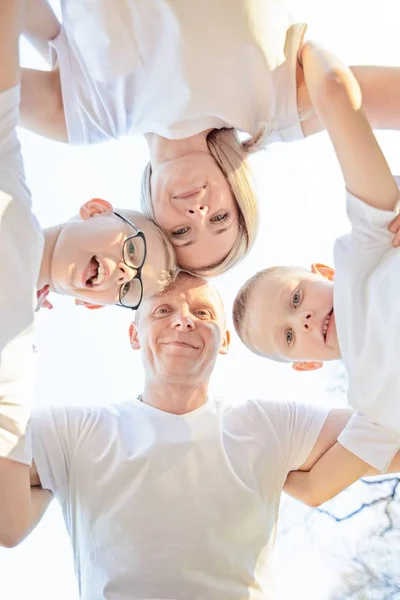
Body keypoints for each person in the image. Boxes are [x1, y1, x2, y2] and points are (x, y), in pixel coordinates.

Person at [2, 269, 400, 599]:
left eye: (203, 312)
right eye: (162, 310)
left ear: (224, 340)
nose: (182, 319)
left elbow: (390, 437)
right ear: (134, 335)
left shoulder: (270, 425)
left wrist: (371, 308)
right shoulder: (72, 433)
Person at [21, 0, 400, 275]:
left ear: (153, 217)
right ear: (238, 193)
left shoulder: (85, 118)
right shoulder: (277, 108)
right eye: (220, 217)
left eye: (181, 231)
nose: (198, 214)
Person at [232, 43, 400, 446]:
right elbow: (312, 485)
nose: (303, 320)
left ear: (325, 272)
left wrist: (303, 49)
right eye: (289, 336)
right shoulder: (371, 405)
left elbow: (334, 89)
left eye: (295, 300)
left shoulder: (368, 250)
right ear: (305, 365)